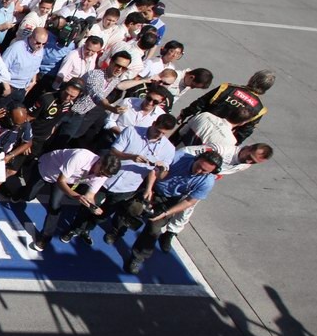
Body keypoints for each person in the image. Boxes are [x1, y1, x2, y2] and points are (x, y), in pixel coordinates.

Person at [61, 116, 177, 244]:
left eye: (163, 133)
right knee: (88, 205)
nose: (159, 135)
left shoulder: (169, 149)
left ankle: (87, 229)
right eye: (157, 130)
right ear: (154, 123)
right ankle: (74, 229)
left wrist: (158, 174)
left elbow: (158, 175)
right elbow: (113, 151)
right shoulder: (132, 131)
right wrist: (130, 157)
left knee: (104, 214)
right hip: (104, 179)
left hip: (127, 187)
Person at [123, 148, 222, 272]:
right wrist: (149, 189)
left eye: (204, 171)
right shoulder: (179, 157)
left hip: (170, 199)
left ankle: (138, 257)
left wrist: (166, 213)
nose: (198, 171)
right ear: (196, 159)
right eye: (199, 166)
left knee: (154, 229)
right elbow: (155, 170)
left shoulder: (207, 182)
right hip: (153, 186)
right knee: (132, 208)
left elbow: (190, 201)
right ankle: (118, 230)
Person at [29, 148, 121, 251]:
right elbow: (61, 181)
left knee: (55, 206)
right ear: (99, 162)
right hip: (46, 169)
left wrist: (92, 206)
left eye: (104, 175)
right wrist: (76, 196)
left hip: (64, 180)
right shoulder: (80, 157)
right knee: (27, 196)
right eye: (101, 172)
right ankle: (20, 195)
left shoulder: (103, 174)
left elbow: (90, 195)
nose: (101, 176)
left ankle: (45, 237)